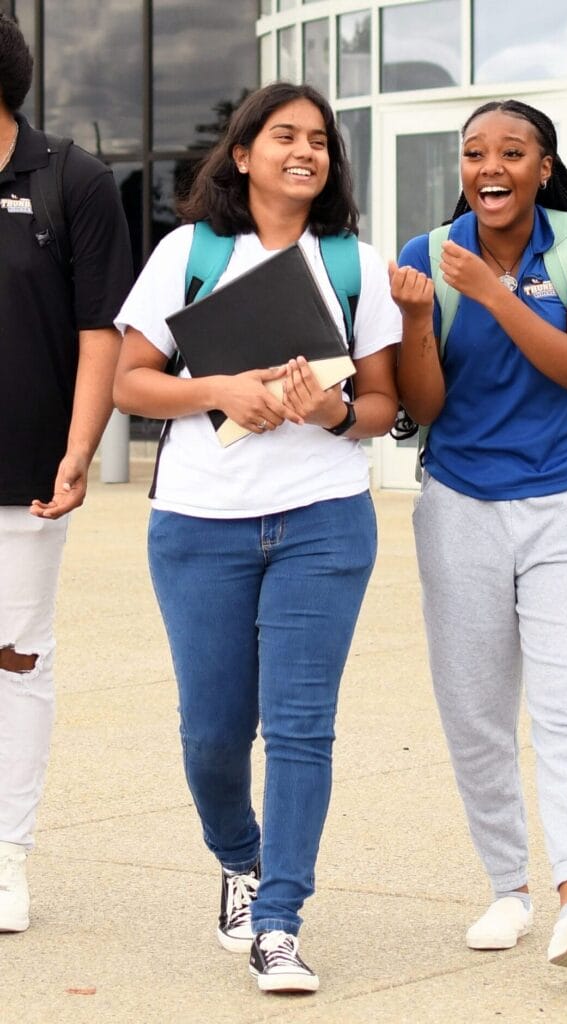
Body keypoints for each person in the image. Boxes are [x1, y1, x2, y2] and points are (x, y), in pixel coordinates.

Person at [113, 82, 400, 995]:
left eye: (319, 139)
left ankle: (280, 921)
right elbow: (129, 383)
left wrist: (334, 410)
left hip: (324, 521)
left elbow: (386, 405)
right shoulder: (188, 254)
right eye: (284, 135)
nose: (305, 150)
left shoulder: (353, 262)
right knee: (211, 734)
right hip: (200, 526)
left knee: (302, 731)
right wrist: (219, 390)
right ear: (243, 154)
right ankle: (238, 859)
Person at [389, 99, 567, 969]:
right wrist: (421, 319)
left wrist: (492, 292)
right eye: (475, 153)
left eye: (512, 152)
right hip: (459, 505)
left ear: (541, 166)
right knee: (476, 716)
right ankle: (508, 890)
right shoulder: (427, 254)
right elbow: (426, 406)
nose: (491, 167)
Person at [0, 13, 133, 933]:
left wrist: (81, 449)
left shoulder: (69, 180)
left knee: (14, 665)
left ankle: (6, 858)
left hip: (25, 476)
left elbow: (102, 332)